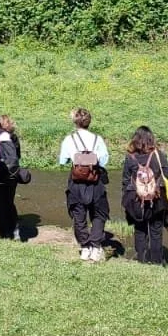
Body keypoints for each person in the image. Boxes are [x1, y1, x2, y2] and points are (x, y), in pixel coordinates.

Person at [58, 107, 110, 262]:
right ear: (89, 122)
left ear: (75, 122)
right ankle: (95, 247)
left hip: (76, 182)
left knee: (78, 214)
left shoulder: (69, 139)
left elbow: (62, 161)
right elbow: (104, 160)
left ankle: (85, 247)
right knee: (99, 214)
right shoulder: (97, 139)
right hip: (96, 181)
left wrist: (77, 159)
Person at [122, 126, 168, 265]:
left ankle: (142, 260)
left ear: (135, 139)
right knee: (156, 231)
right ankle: (156, 262)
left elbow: (126, 181)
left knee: (140, 230)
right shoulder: (157, 155)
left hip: (136, 200)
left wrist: (128, 201)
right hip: (156, 200)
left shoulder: (130, 157)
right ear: (151, 139)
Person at [0, 114, 24, 241]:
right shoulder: (13, 137)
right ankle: (15, 230)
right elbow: (17, 156)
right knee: (9, 202)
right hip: (13, 174)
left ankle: (4, 233)